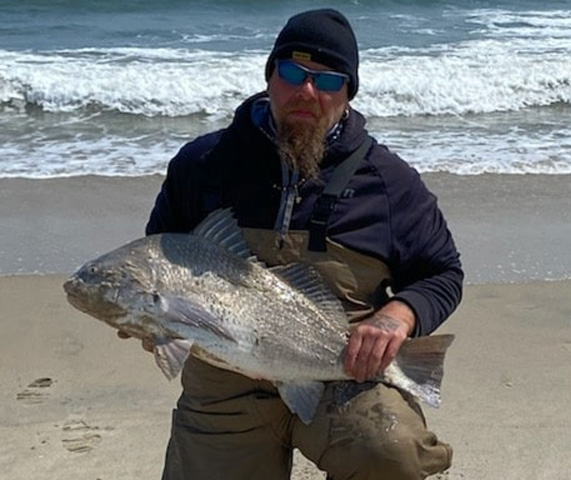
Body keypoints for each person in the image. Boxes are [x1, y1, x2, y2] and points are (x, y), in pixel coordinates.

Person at [126, 8, 463, 480]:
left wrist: (398, 315)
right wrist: (149, 317)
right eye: (292, 72)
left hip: (342, 372)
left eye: (328, 81)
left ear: (347, 93)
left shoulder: (389, 183)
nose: (308, 92)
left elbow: (442, 272)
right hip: (227, 375)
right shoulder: (203, 164)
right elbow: (157, 258)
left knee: (391, 454)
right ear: (270, 77)